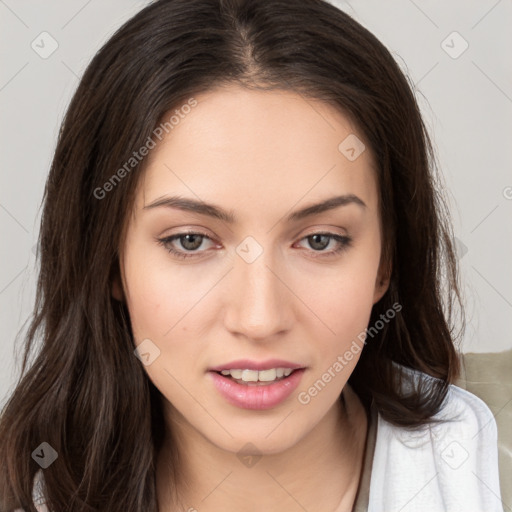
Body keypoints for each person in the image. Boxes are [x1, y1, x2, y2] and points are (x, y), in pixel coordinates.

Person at [0, 0, 503, 511]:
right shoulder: (27, 489)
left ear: (386, 260)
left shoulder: (492, 464)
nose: (260, 320)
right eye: (190, 240)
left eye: (320, 240)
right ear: (108, 261)